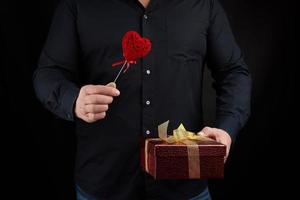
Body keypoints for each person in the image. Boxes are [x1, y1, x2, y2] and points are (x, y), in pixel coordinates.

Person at [33, 0, 251, 199]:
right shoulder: (78, 4)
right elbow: (48, 73)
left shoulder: (203, 4)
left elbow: (233, 71)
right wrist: (74, 101)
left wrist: (227, 128)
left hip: (184, 182)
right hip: (104, 183)